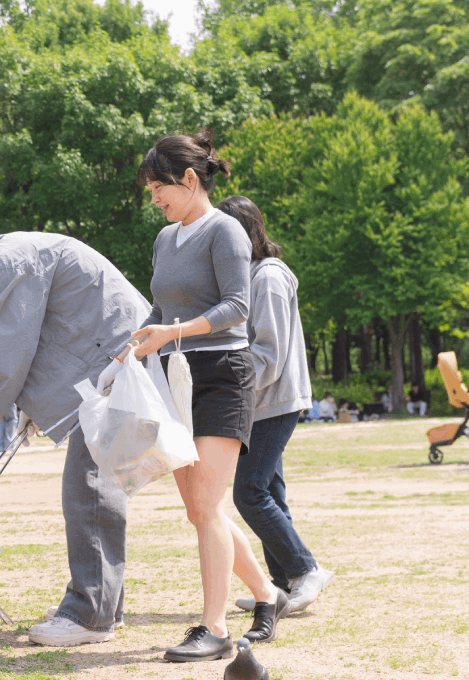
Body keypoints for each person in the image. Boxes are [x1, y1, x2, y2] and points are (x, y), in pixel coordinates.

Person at [0, 218, 151, 647]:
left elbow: (10, 355)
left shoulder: (4, 262)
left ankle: (91, 615)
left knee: (88, 488)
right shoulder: (11, 256)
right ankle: (104, 606)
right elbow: (39, 341)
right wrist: (33, 407)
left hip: (113, 362)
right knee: (96, 486)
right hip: (108, 361)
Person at [133, 132, 287, 662]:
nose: (155, 198)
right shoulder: (164, 238)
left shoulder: (224, 231)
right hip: (177, 376)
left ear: (190, 180)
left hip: (223, 371)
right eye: (152, 190)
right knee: (200, 512)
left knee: (207, 504)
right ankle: (267, 594)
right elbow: (160, 310)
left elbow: (236, 308)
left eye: (159, 187)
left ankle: (215, 628)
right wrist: (136, 339)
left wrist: (170, 333)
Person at [218, 196, 335, 621]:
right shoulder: (249, 276)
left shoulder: (267, 276)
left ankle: (306, 569)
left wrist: (230, 388)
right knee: (269, 493)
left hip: (274, 401)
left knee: (248, 492)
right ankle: (280, 586)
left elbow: (269, 353)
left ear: (241, 234)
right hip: (260, 401)